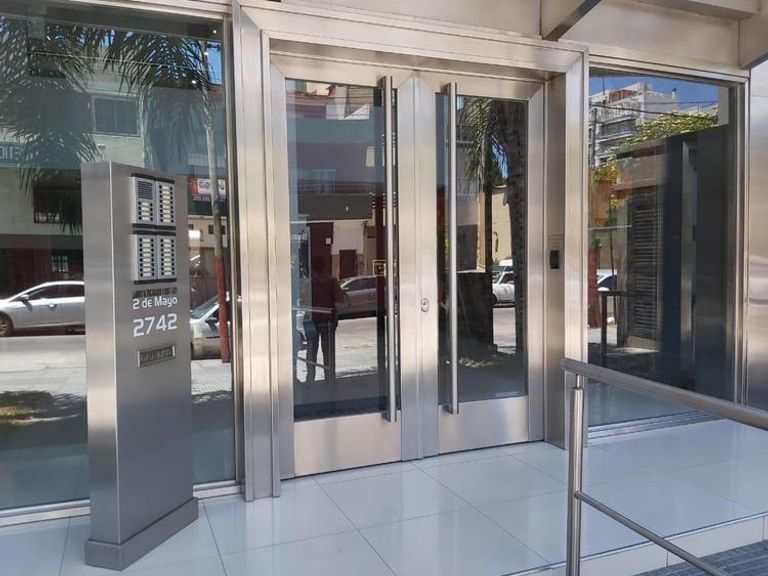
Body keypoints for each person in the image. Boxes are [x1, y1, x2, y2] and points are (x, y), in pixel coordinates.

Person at [304, 254, 346, 386]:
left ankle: (310, 379)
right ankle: (329, 380)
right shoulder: (332, 281)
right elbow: (340, 299)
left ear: (312, 267)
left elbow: (304, 302)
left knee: (311, 352)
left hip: (313, 321)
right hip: (328, 321)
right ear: (324, 266)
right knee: (328, 353)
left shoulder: (309, 283)